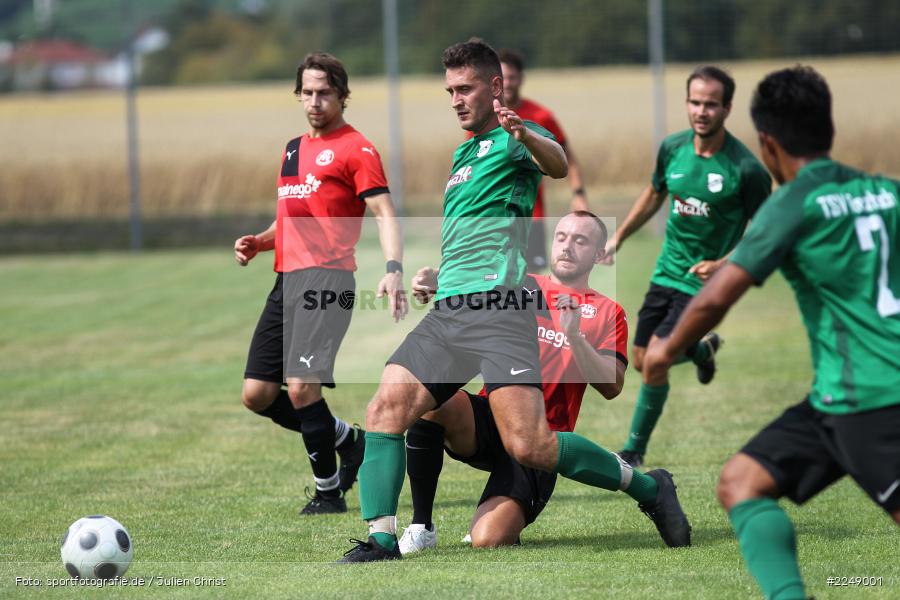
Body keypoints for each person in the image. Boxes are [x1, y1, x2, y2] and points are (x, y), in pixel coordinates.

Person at [338, 39, 689, 563]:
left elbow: (558, 165)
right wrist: (440, 274)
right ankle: (383, 541)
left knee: (531, 446)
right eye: (450, 90)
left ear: (496, 86)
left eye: (466, 88)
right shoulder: (462, 154)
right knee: (386, 407)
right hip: (451, 310)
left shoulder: (514, 137)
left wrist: (524, 134)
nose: (456, 99)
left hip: (500, 311)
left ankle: (648, 487)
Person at [643, 65, 900, 600]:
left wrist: (666, 349)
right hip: (833, 400)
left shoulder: (792, 203)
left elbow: (715, 297)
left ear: (766, 142)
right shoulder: (888, 192)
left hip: (870, 400)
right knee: (742, 481)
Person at [396, 212, 691, 553]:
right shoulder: (518, 286)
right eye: (562, 237)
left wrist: (575, 337)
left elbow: (612, 386)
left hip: (540, 441)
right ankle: (421, 526)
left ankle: (507, 508)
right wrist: (436, 281)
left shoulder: (608, 311)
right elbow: (463, 287)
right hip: (490, 420)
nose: (567, 247)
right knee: (431, 402)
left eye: (580, 241)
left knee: (488, 540)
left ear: (598, 254)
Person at [234, 52, 407, 516]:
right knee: (257, 394)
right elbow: (290, 218)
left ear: (342, 96)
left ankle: (328, 493)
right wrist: (261, 242)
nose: (314, 101)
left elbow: (384, 212)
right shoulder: (292, 148)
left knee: (301, 388)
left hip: (328, 282)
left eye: (324, 92)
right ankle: (350, 441)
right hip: (285, 280)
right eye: (307, 92)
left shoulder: (357, 149)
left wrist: (393, 267)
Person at [602, 66, 772, 468]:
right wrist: (620, 236)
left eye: (711, 104)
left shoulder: (745, 169)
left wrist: (724, 263)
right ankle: (700, 351)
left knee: (658, 360)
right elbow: (654, 193)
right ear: (687, 104)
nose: (702, 111)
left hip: (705, 282)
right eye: (695, 102)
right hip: (666, 271)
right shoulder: (673, 149)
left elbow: (767, 227)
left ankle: (634, 450)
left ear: (728, 108)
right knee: (642, 358)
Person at [497, 49, 589, 271]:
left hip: (530, 215)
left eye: (511, 77)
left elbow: (567, 156)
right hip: (494, 218)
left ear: (521, 79)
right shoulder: (485, 118)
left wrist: (578, 194)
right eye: (502, 78)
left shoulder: (540, 116)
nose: (507, 83)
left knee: (529, 284)